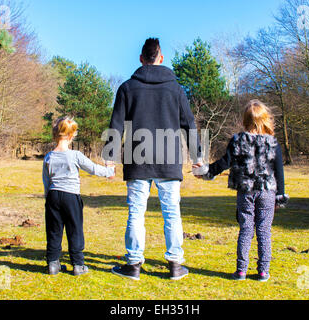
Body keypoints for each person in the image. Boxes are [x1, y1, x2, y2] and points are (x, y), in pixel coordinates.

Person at [104, 38, 203, 281]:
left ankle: (134, 264)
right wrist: (198, 156)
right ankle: (176, 265)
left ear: (141, 59)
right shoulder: (176, 89)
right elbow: (189, 124)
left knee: (136, 212)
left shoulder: (127, 88)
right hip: (169, 159)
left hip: (138, 158)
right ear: (161, 58)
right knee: (172, 212)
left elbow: (115, 125)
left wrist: (109, 158)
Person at [197, 100, 289, 282]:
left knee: (246, 229)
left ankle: (241, 270)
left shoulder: (238, 140)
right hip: (267, 192)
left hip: (245, 192)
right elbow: (279, 171)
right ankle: (263, 271)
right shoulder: (273, 143)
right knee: (264, 231)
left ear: (245, 120)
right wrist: (280, 197)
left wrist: (207, 171)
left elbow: (224, 163)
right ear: (265, 119)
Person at [43, 117, 115, 276]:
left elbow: (46, 181)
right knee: (74, 229)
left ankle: (53, 264)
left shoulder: (49, 156)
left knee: (54, 230)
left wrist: (48, 199)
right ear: (70, 135)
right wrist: (110, 171)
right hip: (71, 197)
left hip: (53, 196)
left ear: (55, 134)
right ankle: (78, 265)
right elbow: (93, 169)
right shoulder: (75, 155)